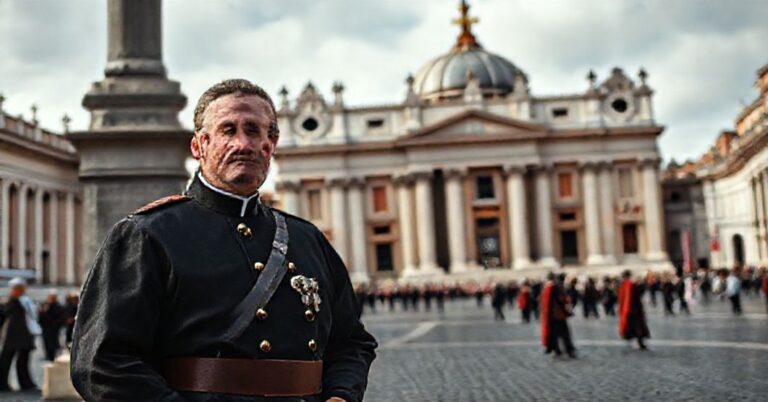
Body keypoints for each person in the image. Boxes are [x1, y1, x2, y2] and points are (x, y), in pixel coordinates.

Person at [71, 79, 377, 402]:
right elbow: (103, 363)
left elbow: (351, 342)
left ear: (271, 144)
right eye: (228, 130)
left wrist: (341, 396)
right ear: (199, 146)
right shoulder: (147, 235)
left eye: (255, 131)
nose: (243, 143)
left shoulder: (308, 238)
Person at [0, 278, 39, 391]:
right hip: (11, 336)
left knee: (23, 361)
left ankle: (25, 383)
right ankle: (2, 384)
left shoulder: (25, 301)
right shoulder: (10, 302)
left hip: (24, 336)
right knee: (6, 361)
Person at [540, 273, 576, 358]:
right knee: (565, 334)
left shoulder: (546, 288)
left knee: (554, 334)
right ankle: (569, 350)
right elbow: (562, 299)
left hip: (551, 316)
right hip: (558, 315)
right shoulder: (555, 288)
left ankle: (557, 350)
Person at [618, 271, 650, 350]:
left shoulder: (623, 285)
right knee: (637, 327)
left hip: (628, 310)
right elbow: (639, 293)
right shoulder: (631, 285)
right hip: (634, 310)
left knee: (631, 327)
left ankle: (633, 340)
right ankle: (640, 342)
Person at [38, 290, 65, 361]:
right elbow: (41, 317)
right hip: (46, 328)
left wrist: (56, 324)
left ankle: (53, 357)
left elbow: (61, 317)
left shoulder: (58, 306)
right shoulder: (44, 305)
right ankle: (48, 356)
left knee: (54, 344)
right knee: (46, 343)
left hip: (54, 329)